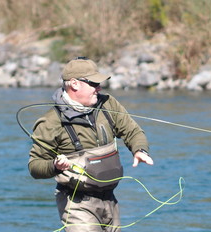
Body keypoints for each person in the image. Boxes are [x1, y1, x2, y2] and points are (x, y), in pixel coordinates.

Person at [28, 57, 154, 232]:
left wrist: (139, 149)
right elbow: (35, 166)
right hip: (77, 203)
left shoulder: (108, 104)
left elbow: (132, 131)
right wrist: (55, 166)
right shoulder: (50, 122)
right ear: (74, 84)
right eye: (94, 83)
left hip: (110, 199)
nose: (99, 88)